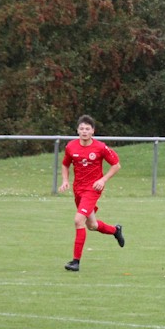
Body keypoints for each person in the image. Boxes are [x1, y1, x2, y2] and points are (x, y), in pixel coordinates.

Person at [59, 115, 125, 272]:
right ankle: (115, 230)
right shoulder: (71, 147)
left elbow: (116, 165)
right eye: (81, 128)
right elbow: (65, 165)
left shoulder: (100, 147)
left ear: (93, 131)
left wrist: (103, 180)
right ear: (77, 130)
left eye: (87, 129)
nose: (84, 131)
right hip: (78, 189)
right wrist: (65, 180)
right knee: (92, 225)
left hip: (93, 189)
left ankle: (75, 262)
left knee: (78, 220)